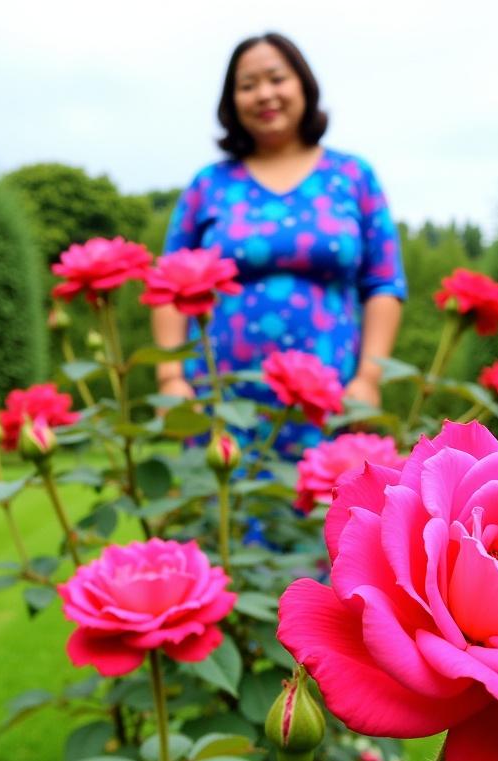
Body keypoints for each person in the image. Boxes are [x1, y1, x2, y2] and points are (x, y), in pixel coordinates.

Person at [151, 32, 407, 457]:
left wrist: (368, 379)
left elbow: (383, 284)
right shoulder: (209, 184)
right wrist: (170, 379)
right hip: (219, 401)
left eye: (276, 78)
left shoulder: (352, 176)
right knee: (219, 518)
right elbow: (167, 286)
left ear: (303, 85)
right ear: (232, 102)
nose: (264, 94)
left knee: (327, 513)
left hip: (332, 400)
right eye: (247, 85)